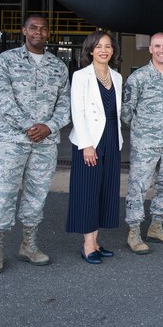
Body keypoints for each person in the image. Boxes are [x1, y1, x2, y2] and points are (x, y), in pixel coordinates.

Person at [0, 16, 70, 274]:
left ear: (49, 33)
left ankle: (28, 245)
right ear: (24, 31)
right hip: (12, 141)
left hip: (45, 142)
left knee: (37, 193)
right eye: (33, 28)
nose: (39, 32)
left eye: (43, 29)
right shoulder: (7, 60)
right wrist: (27, 126)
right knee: (4, 192)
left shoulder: (58, 66)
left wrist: (50, 126)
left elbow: (65, 103)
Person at [121, 32, 163, 254]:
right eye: (157, 46)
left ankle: (156, 227)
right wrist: (143, 132)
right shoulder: (138, 78)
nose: (161, 50)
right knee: (138, 187)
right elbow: (126, 113)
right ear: (150, 49)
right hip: (145, 144)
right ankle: (134, 231)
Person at [66, 31, 123, 264]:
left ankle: (96, 241)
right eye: (98, 46)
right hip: (88, 139)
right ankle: (87, 245)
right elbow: (77, 112)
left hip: (111, 136)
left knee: (105, 190)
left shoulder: (117, 77)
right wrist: (87, 145)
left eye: (108, 46)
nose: (103, 50)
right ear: (90, 50)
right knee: (88, 192)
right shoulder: (81, 76)